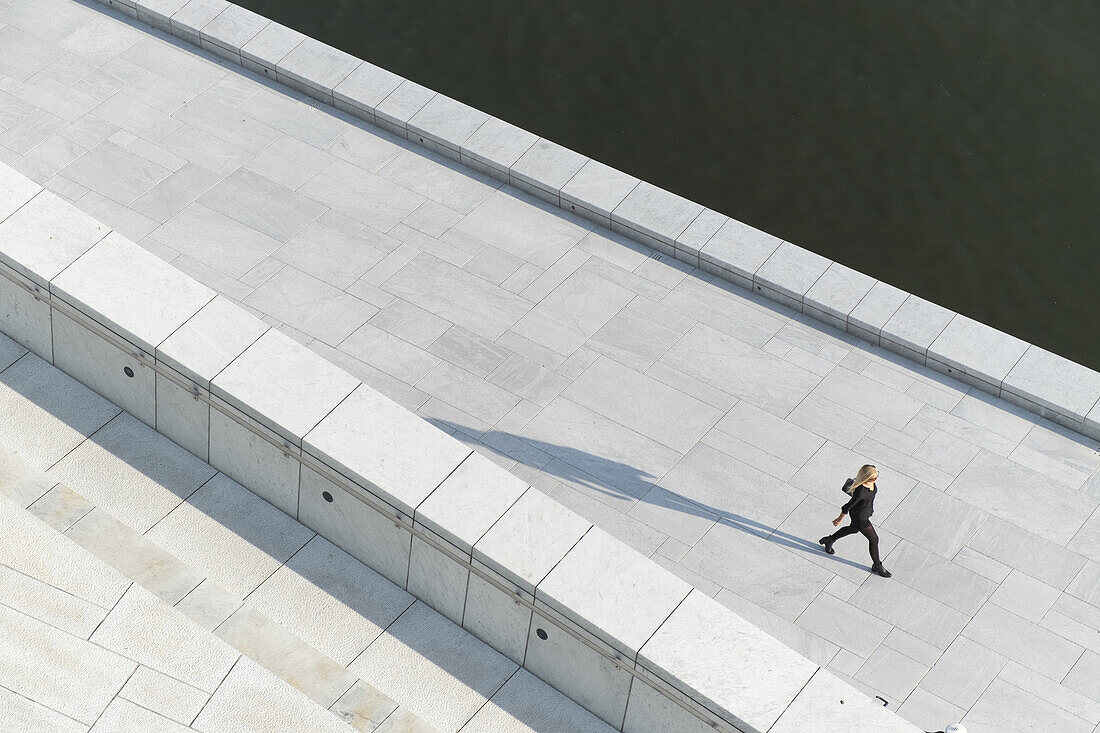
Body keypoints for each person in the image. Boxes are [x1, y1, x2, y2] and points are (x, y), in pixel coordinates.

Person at [819, 464, 891, 578]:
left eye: (877, 475)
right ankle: (877, 565)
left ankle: (829, 540)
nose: (877, 479)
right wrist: (838, 520)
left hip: (864, 512)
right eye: (874, 478)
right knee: (874, 539)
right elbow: (846, 507)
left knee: (852, 529)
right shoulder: (861, 491)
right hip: (860, 518)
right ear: (867, 477)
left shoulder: (872, 483)